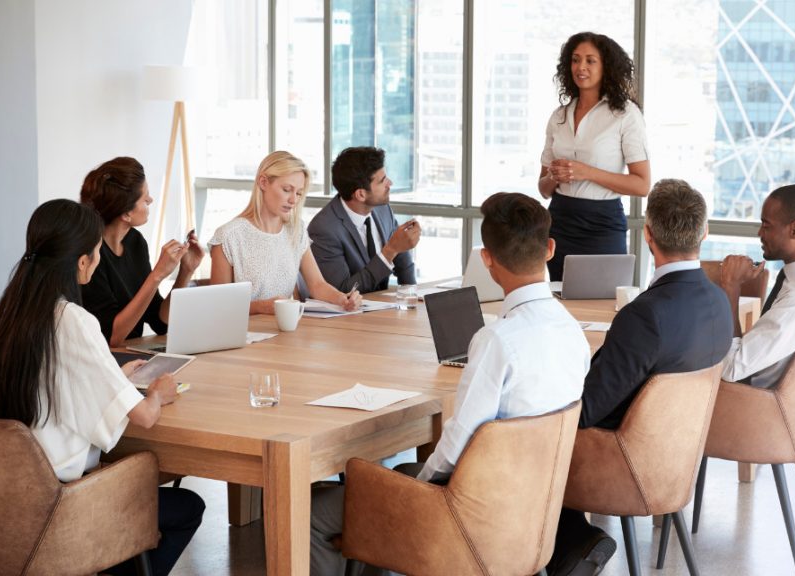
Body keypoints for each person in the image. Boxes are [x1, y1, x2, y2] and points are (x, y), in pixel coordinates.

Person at [309, 192, 592, 576]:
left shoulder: (497, 341)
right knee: (400, 477)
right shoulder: (572, 331)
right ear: (550, 249)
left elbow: (458, 444)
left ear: (487, 259)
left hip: (471, 517)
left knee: (314, 512)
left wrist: (418, 492)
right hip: (533, 508)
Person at [0, 199, 204, 576]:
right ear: (82, 262)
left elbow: (56, 378)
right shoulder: (74, 319)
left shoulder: (12, 312)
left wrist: (116, 378)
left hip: (11, 494)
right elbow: (145, 418)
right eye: (97, 253)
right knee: (186, 508)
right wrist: (157, 393)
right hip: (65, 502)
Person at [547, 179, 733, 576]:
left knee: (525, 435)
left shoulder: (645, 315)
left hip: (621, 461)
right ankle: (573, 541)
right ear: (704, 232)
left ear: (647, 234)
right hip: (675, 460)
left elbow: (588, 410)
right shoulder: (720, 302)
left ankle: (568, 547)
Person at [539, 31, 651, 282]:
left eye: (590, 60)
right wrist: (554, 177)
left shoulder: (625, 114)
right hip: (559, 223)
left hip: (602, 225)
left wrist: (585, 172)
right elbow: (543, 189)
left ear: (606, 67)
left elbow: (642, 184)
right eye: (576, 59)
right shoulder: (559, 116)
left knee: (604, 305)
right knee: (562, 300)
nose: (581, 67)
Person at [719, 184, 795, 388]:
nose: (759, 233)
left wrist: (731, 286)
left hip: (749, 399)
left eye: (766, 226)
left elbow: (731, 369)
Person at [209, 151, 362, 315]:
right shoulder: (228, 236)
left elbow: (317, 285)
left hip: (286, 330)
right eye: (287, 189)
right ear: (263, 182)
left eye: (298, 193)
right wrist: (260, 307)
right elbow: (219, 306)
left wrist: (343, 299)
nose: (293, 200)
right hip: (245, 335)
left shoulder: (296, 230)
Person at [80, 156, 204, 347]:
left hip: (133, 355)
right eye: (144, 197)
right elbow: (111, 337)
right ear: (126, 214)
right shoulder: (90, 256)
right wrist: (157, 276)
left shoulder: (135, 242)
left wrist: (186, 271)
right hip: (107, 361)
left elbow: (160, 322)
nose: (150, 199)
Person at [308, 146, 420, 293]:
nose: (390, 183)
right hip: (348, 314)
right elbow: (343, 291)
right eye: (382, 181)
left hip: (384, 310)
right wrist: (389, 251)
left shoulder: (382, 209)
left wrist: (413, 296)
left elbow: (401, 257)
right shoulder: (323, 229)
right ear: (361, 195)